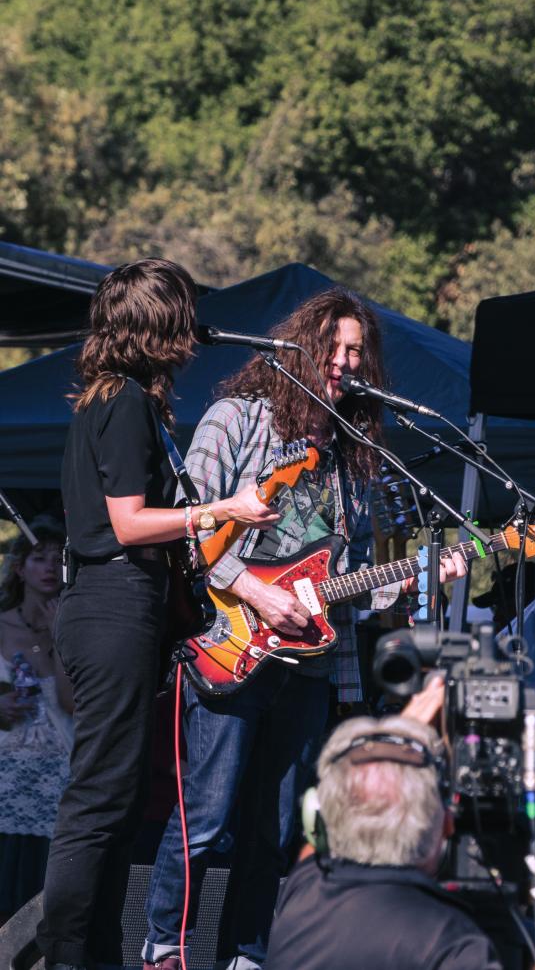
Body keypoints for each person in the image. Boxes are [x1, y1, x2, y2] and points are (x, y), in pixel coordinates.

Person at [142, 286, 466, 970]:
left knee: (281, 825)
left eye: (358, 352)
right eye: (335, 348)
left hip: (311, 664)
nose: (346, 362)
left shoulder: (355, 453)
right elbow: (186, 530)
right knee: (207, 818)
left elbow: (352, 581)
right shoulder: (237, 418)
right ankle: (165, 948)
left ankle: (248, 956)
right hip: (230, 642)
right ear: (301, 346)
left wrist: (416, 579)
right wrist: (255, 589)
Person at [35, 258, 279, 970]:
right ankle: (65, 952)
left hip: (123, 606)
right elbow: (129, 522)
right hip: (112, 603)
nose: (195, 328)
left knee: (119, 798)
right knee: (99, 795)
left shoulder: (122, 400)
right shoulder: (124, 403)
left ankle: (98, 951)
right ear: (158, 321)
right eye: (184, 312)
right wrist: (222, 509)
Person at [264, 712, 535, 970]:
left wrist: (405, 724)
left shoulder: (305, 889)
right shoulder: (447, 943)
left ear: (317, 816)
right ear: (445, 825)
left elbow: (324, 833)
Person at [0, 517, 73, 925]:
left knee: (42, 890)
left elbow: (70, 702)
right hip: (6, 771)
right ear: (19, 568)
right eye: (39, 558)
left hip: (59, 769)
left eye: (57, 559)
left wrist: (60, 636)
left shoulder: (73, 625)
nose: (49, 568)